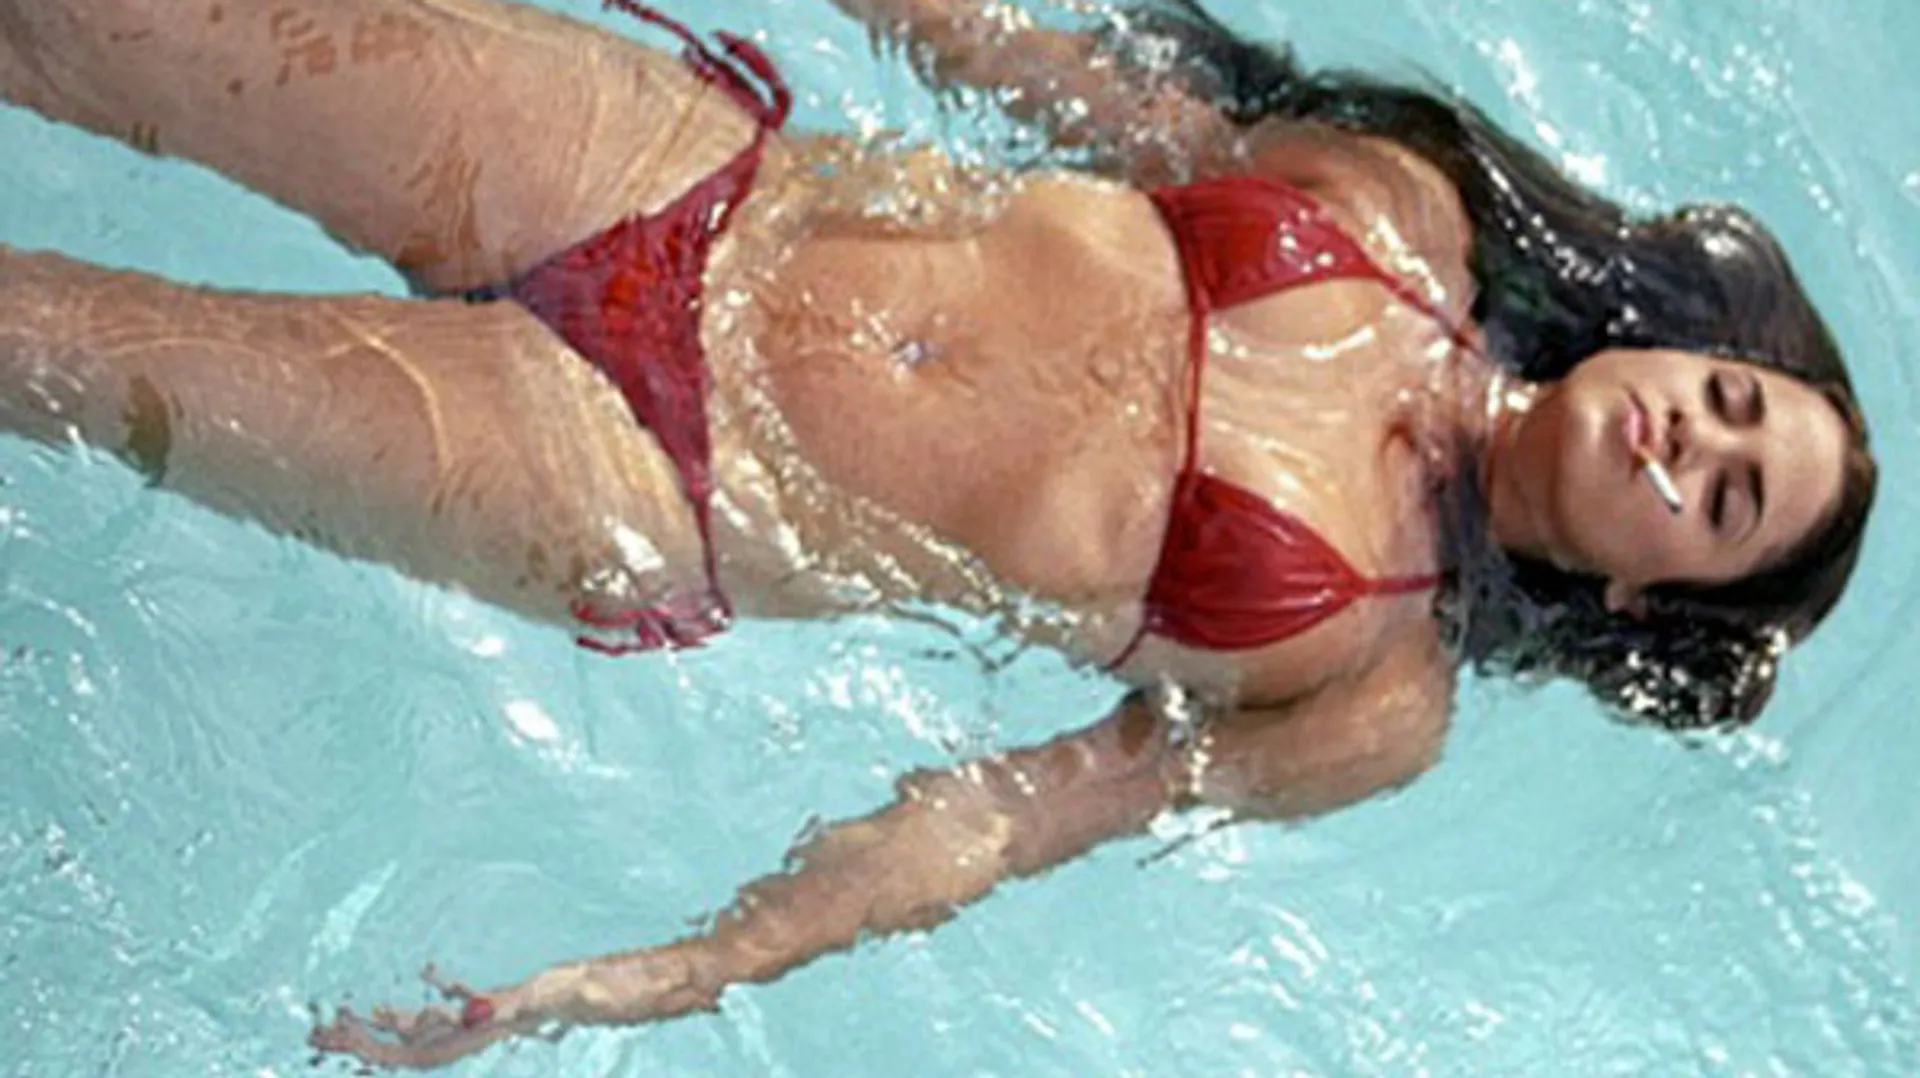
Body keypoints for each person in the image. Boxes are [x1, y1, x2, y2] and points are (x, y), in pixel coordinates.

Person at [0, 0, 1876, 1067]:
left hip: (647, 478)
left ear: (1645, 590)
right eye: (1728, 399)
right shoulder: (1394, 214)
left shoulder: (1370, 690)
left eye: (1723, 499)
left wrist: (668, 970)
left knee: (39, 347)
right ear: (1675, 342)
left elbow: (1002, 817)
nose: (1687, 438)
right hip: (684, 176)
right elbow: (1037, 78)